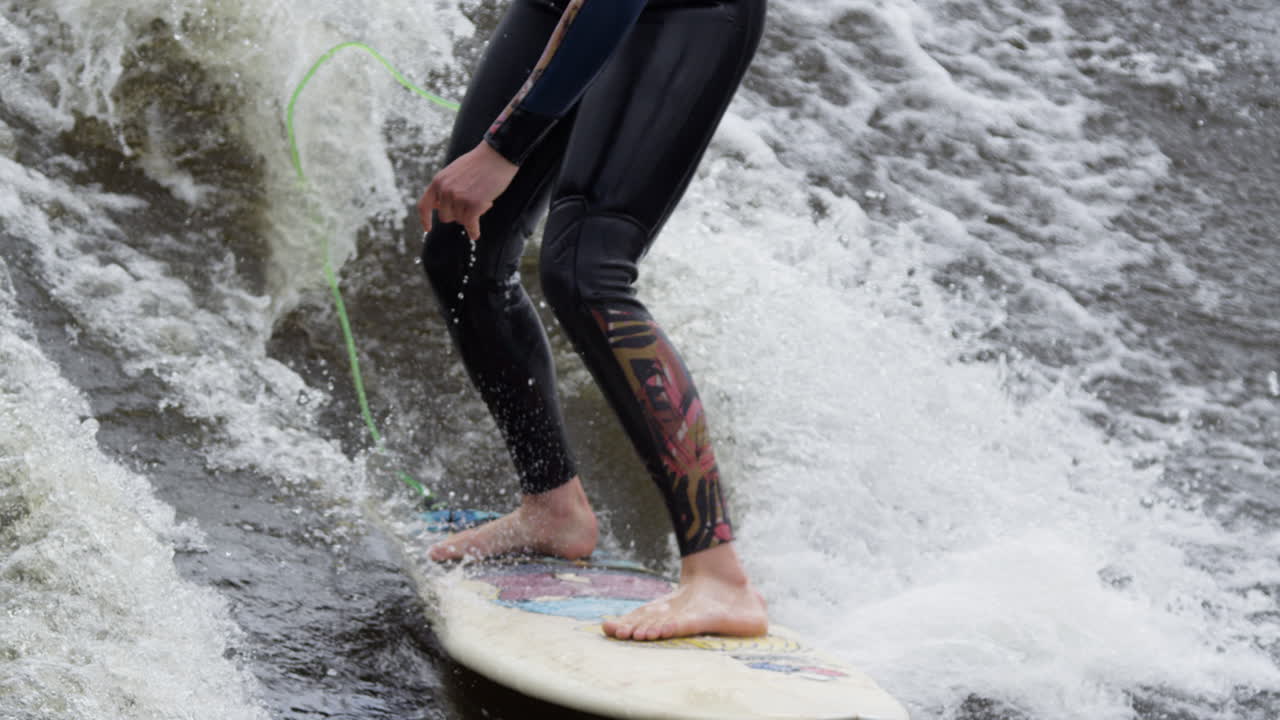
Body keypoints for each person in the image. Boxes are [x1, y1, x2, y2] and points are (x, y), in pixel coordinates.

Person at [416, 0, 768, 641]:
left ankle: (720, 577)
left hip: (678, 15)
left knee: (587, 272)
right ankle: (554, 509)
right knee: (460, 248)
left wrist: (503, 147)